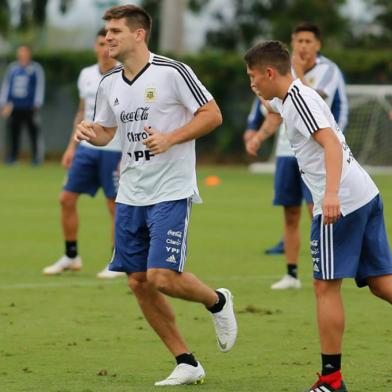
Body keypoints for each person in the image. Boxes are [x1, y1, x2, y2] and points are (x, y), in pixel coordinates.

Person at [75, 4, 237, 386]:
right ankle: (186, 361)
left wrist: (171, 137)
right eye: (106, 32)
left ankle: (218, 300)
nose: (108, 38)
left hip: (171, 188)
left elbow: (213, 115)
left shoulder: (173, 72)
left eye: (115, 31)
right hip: (131, 192)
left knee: (162, 277)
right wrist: (90, 133)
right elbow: (107, 132)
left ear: (139, 34)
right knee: (138, 282)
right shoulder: (109, 82)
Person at [245, 40, 392, 392]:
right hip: (364, 193)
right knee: (380, 282)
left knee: (325, 287)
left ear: (269, 72)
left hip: (341, 203)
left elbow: (329, 143)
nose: (251, 85)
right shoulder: (293, 96)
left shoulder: (298, 99)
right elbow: (274, 104)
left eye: (252, 77)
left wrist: (329, 195)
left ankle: (331, 380)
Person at [246, 22, 349, 290]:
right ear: (292, 42)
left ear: (318, 45)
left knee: (317, 211)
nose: (303, 46)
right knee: (289, 214)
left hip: (317, 154)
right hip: (286, 153)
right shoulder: (278, 71)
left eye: (308, 41)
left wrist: (299, 72)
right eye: (298, 41)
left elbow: (313, 101)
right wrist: (258, 136)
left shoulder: (328, 70)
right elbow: (277, 110)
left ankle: (330, 269)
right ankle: (291, 274)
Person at [42, 29, 124, 279]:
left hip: (115, 150)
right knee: (66, 198)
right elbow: (81, 112)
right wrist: (70, 146)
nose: (105, 48)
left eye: (110, 43)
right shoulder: (86, 75)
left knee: (115, 206)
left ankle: (117, 261)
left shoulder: (125, 75)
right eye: (101, 43)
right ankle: (71, 255)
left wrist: (127, 153)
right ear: (95, 46)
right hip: (86, 149)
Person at [0, 45, 45, 165]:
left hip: (30, 107)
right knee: (13, 133)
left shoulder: (36, 68)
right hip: (14, 107)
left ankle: (36, 158)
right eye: (21, 52)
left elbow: (40, 86)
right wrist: (3, 103)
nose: (23, 54)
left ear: (29, 54)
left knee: (33, 132)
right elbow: (6, 85)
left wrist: (37, 103)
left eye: (25, 52)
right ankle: (12, 158)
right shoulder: (12, 68)